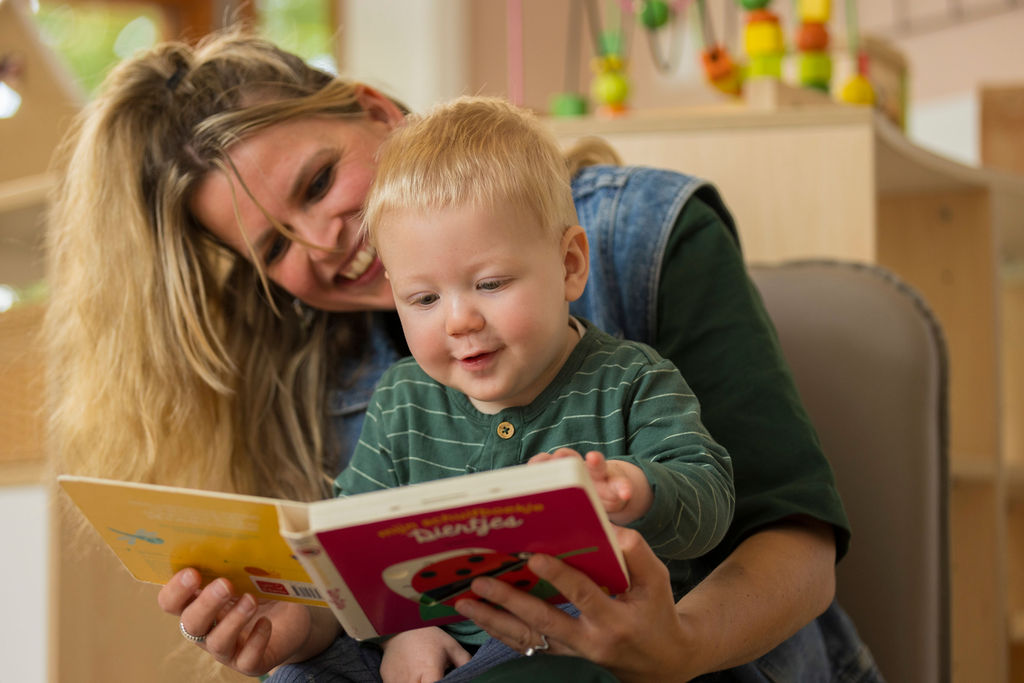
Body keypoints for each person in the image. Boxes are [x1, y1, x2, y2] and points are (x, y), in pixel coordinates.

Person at [45, 26, 880, 683]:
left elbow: (788, 544)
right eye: (276, 248)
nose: (329, 241)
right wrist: (301, 621)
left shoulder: (644, 257)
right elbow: (365, 572)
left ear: (376, 110)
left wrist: (676, 640)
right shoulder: (352, 372)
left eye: (316, 182)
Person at [323, 95, 734, 681]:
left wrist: (634, 489)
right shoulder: (402, 398)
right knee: (296, 671)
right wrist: (405, 630)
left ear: (569, 265)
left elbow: (711, 506)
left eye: (489, 283)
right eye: (424, 299)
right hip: (429, 640)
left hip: (573, 638)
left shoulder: (633, 379)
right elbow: (353, 544)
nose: (458, 321)